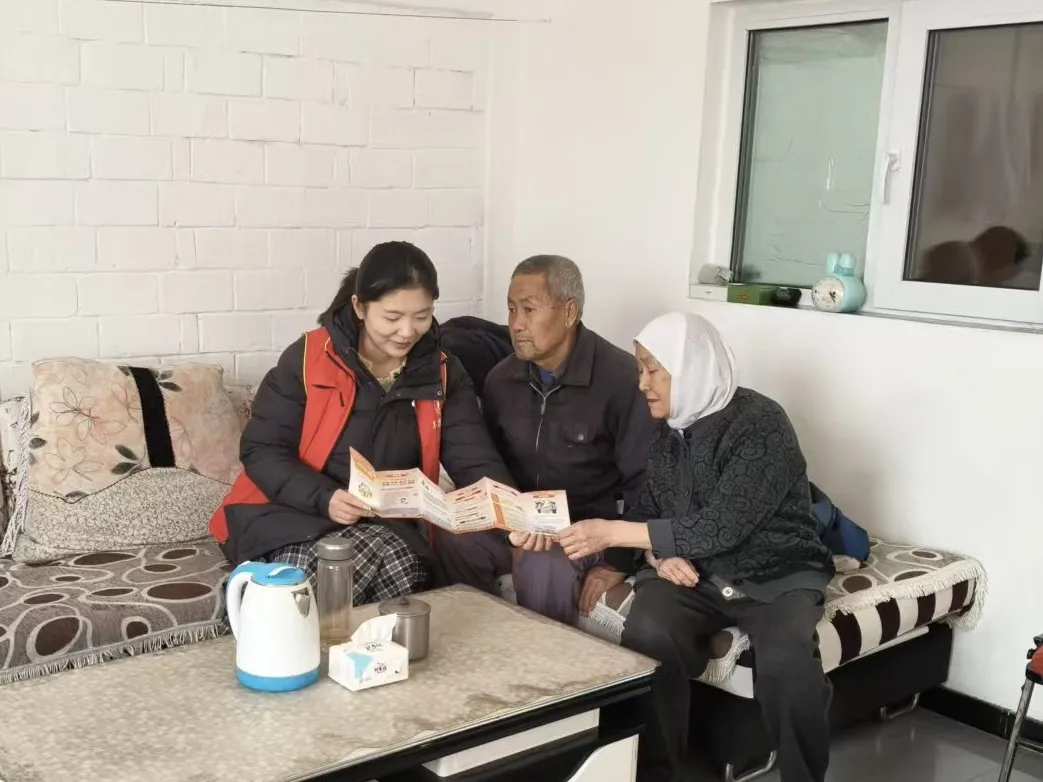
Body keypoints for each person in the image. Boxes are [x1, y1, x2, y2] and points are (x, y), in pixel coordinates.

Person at [557, 312, 835, 782]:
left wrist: (611, 533)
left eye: (654, 370)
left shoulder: (761, 424)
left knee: (788, 662)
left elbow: (721, 526)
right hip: (697, 573)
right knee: (649, 632)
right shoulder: (669, 430)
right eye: (640, 369)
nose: (642, 383)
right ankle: (656, 775)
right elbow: (651, 506)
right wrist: (634, 558)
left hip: (775, 572)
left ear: (692, 369)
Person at [209, 242, 514, 604]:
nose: (407, 331)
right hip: (289, 512)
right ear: (359, 306)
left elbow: (473, 457)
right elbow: (262, 449)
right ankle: (267, 616)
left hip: (380, 522)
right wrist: (325, 498)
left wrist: (513, 514)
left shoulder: (443, 372)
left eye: (422, 316)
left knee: (402, 563)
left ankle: (286, 620)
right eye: (392, 317)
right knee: (333, 569)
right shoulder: (308, 359)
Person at [482, 255, 655, 626]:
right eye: (511, 310)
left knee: (543, 561)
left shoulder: (623, 381)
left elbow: (646, 482)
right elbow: (487, 463)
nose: (516, 324)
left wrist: (616, 561)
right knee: (453, 542)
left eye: (529, 309)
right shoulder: (501, 380)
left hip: (585, 530)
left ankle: (541, 663)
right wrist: (510, 526)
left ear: (569, 312)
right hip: (519, 524)